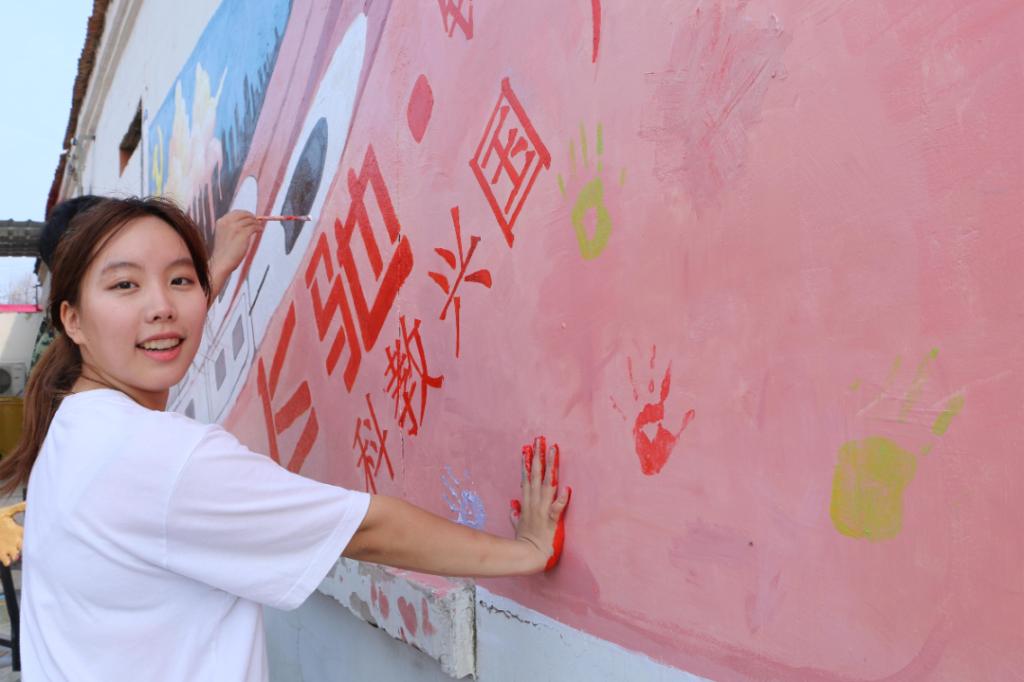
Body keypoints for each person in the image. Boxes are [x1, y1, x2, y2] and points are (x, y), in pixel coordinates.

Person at [0, 196, 570, 681]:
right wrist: (525, 552)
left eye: (180, 280)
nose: (162, 307)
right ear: (72, 319)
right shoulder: (162, 457)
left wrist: (214, 269)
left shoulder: (72, 421)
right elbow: (367, 529)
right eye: (125, 284)